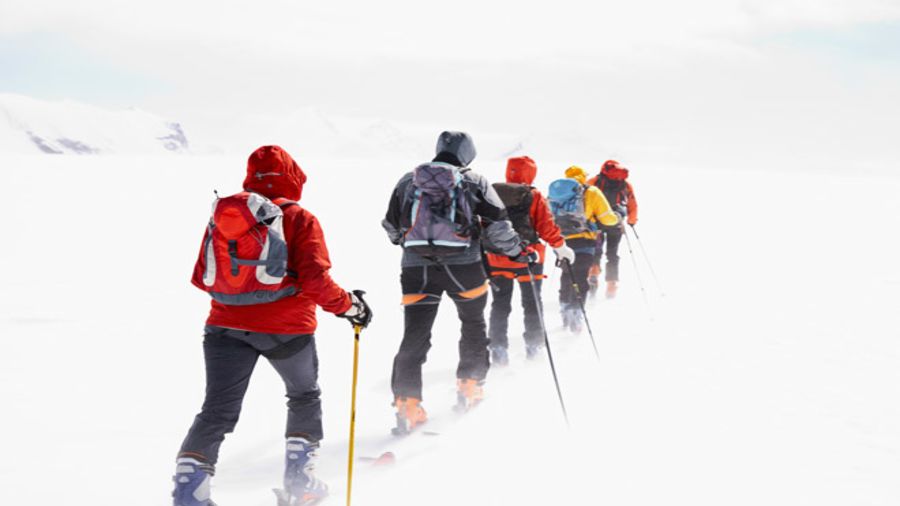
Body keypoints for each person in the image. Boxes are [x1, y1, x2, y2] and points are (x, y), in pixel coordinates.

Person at [173, 145, 372, 506]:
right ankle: (300, 483)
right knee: (303, 395)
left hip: (223, 327)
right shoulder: (300, 218)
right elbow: (315, 281)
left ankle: (190, 486)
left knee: (216, 409)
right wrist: (350, 307)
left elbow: (202, 277)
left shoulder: (223, 217)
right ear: (293, 176)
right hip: (287, 329)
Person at [382, 131, 524, 431]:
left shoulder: (408, 181)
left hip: (416, 270)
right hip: (465, 268)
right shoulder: (475, 181)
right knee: (472, 324)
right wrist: (518, 252)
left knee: (415, 333)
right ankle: (470, 385)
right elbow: (498, 225)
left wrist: (416, 245)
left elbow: (392, 227)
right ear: (467, 153)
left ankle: (407, 404)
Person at [484, 156, 574, 364]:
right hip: (529, 259)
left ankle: (498, 348)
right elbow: (546, 226)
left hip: (497, 259)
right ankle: (534, 345)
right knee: (532, 302)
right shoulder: (533, 195)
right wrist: (560, 247)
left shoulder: (491, 192)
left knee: (500, 304)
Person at [548, 166, 619, 332]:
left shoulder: (555, 193)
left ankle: (565, 310)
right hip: (585, 242)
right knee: (580, 276)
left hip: (562, 242)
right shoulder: (591, 192)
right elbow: (608, 219)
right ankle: (576, 313)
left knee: (566, 274)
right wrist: (618, 216)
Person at [587, 160, 638, 298]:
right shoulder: (625, 184)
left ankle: (593, 273)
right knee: (612, 253)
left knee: (596, 250)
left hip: (597, 221)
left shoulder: (594, 181)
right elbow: (632, 202)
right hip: (615, 222)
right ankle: (612, 284)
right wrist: (632, 220)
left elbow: (584, 198)